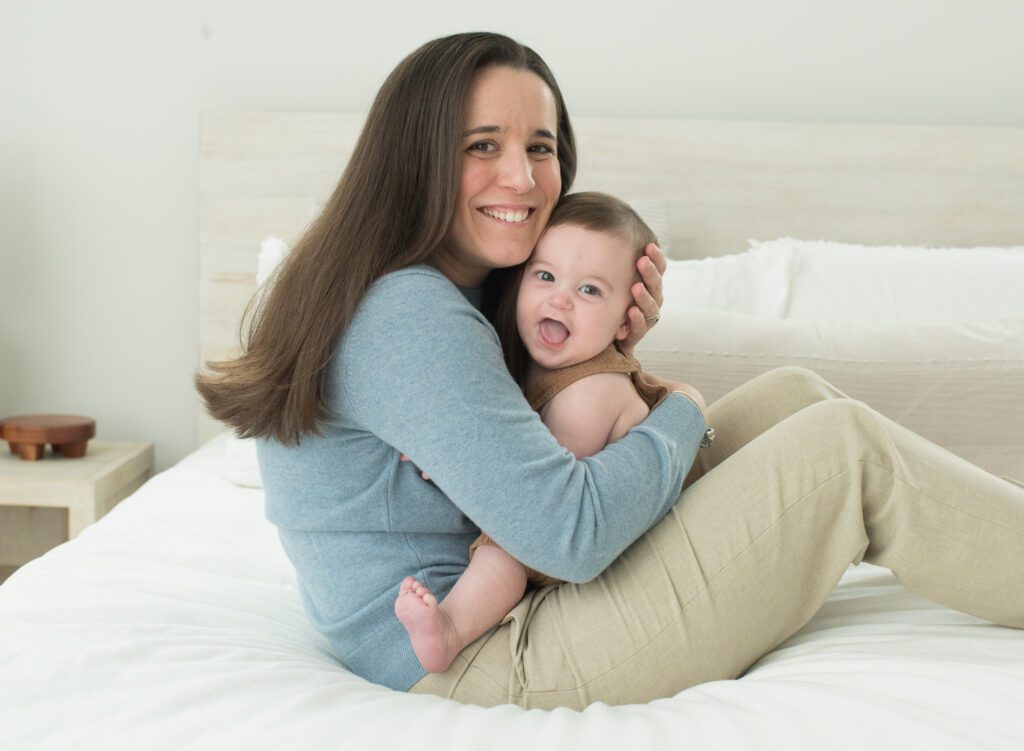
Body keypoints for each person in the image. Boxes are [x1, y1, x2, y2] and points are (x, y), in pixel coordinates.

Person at [196, 32, 1024, 711]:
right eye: (482, 146)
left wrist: (610, 358)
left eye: (541, 147)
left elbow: (561, 441)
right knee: (844, 451)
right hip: (485, 653)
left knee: (794, 397)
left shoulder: (432, 292)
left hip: (502, 611)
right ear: (416, 159)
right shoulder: (409, 314)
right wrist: (679, 408)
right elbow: (569, 533)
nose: (522, 178)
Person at [394, 192, 709, 673]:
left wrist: (455, 462)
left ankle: (452, 628)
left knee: (504, 556)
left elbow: (543, 499)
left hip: (587, 533)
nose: (559, 298)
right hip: (584, 526)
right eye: (545, 276)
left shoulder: (591, 391)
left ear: (630, 314)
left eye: (590, 291)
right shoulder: (534, 368)